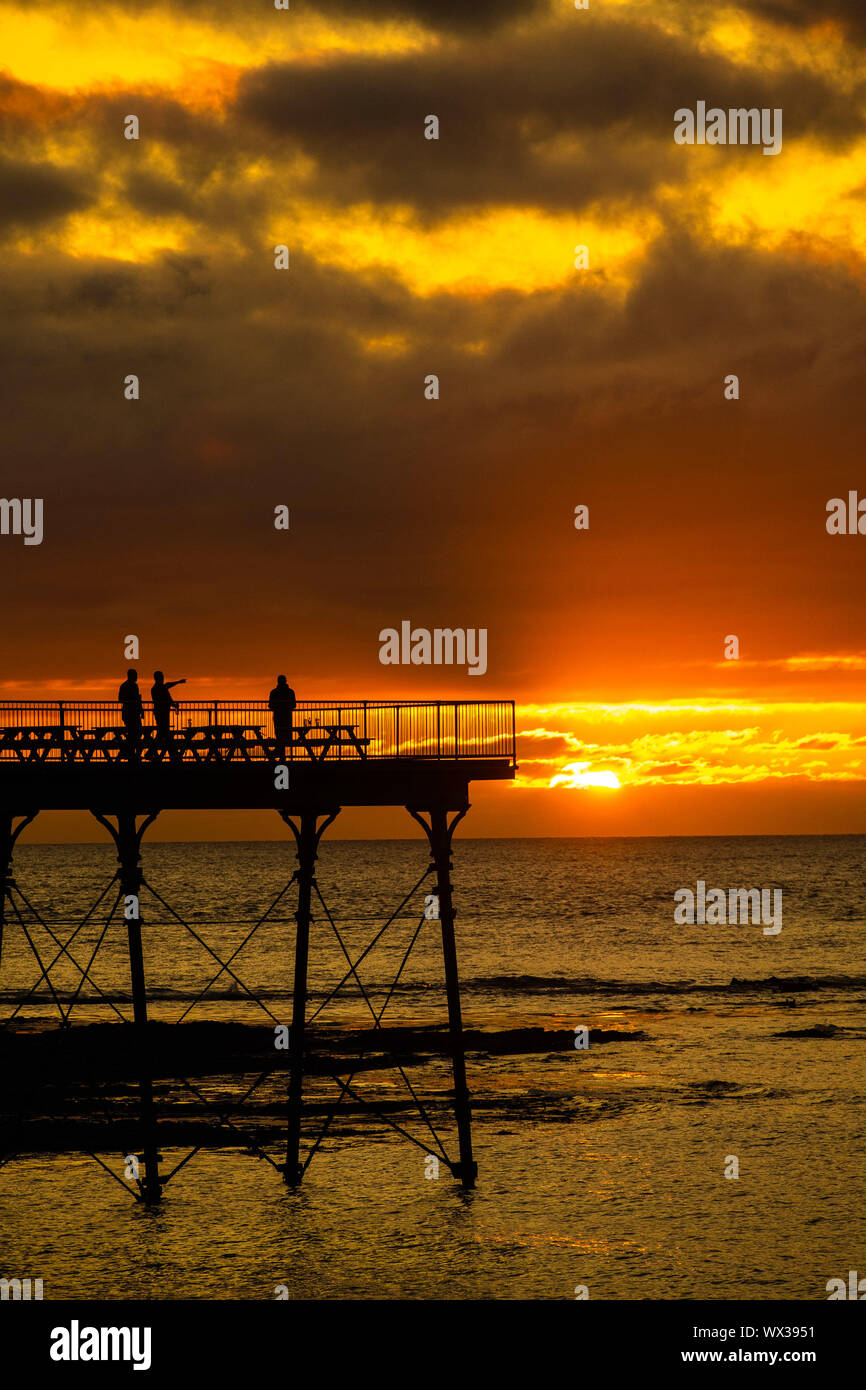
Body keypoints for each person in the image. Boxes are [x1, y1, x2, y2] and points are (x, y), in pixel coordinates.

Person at [150, 670, 185, 753]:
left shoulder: (154, 688)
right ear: (158, 678)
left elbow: (167, 688)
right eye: (161, 677)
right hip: (163, 713)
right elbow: (167, 698)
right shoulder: (161, 688)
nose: (163, 678)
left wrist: (178, 682)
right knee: (163, 733)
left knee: (163, 733)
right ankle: (172, 753)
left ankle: (172, 753)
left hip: (160, 712)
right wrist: (179, 682)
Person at [269, 675, 296, 759]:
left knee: (279, 734)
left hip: (278, 716)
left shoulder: (274, 692)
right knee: (285, 735)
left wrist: (278, 707)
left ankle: (280, 753)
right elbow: (294, 705)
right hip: (287, 716)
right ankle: (281, 754)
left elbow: (271, 705)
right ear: (286, 681)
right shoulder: (290, 692)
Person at [118, 668, 144, 758]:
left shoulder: (124, 685)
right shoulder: (130, 686)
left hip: (129, 713)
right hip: (131, 713)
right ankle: (130, 752)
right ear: (131, 676)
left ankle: (130, 752)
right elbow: (136, 699)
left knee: (134, 733)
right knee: (136, 733)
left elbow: (120, 699)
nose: (137, 677)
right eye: (135, 675)